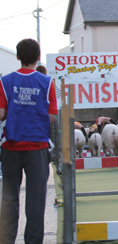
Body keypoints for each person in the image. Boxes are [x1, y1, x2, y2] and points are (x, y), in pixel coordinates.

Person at [0, 38, 57, 243]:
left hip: (11, 146)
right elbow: (51, 116)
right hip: (37, 146)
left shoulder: (5, 81)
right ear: (38, 57)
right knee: (35, 202)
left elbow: (1, 113)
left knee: (9, 199)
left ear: (17, 57)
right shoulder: (47, 82)